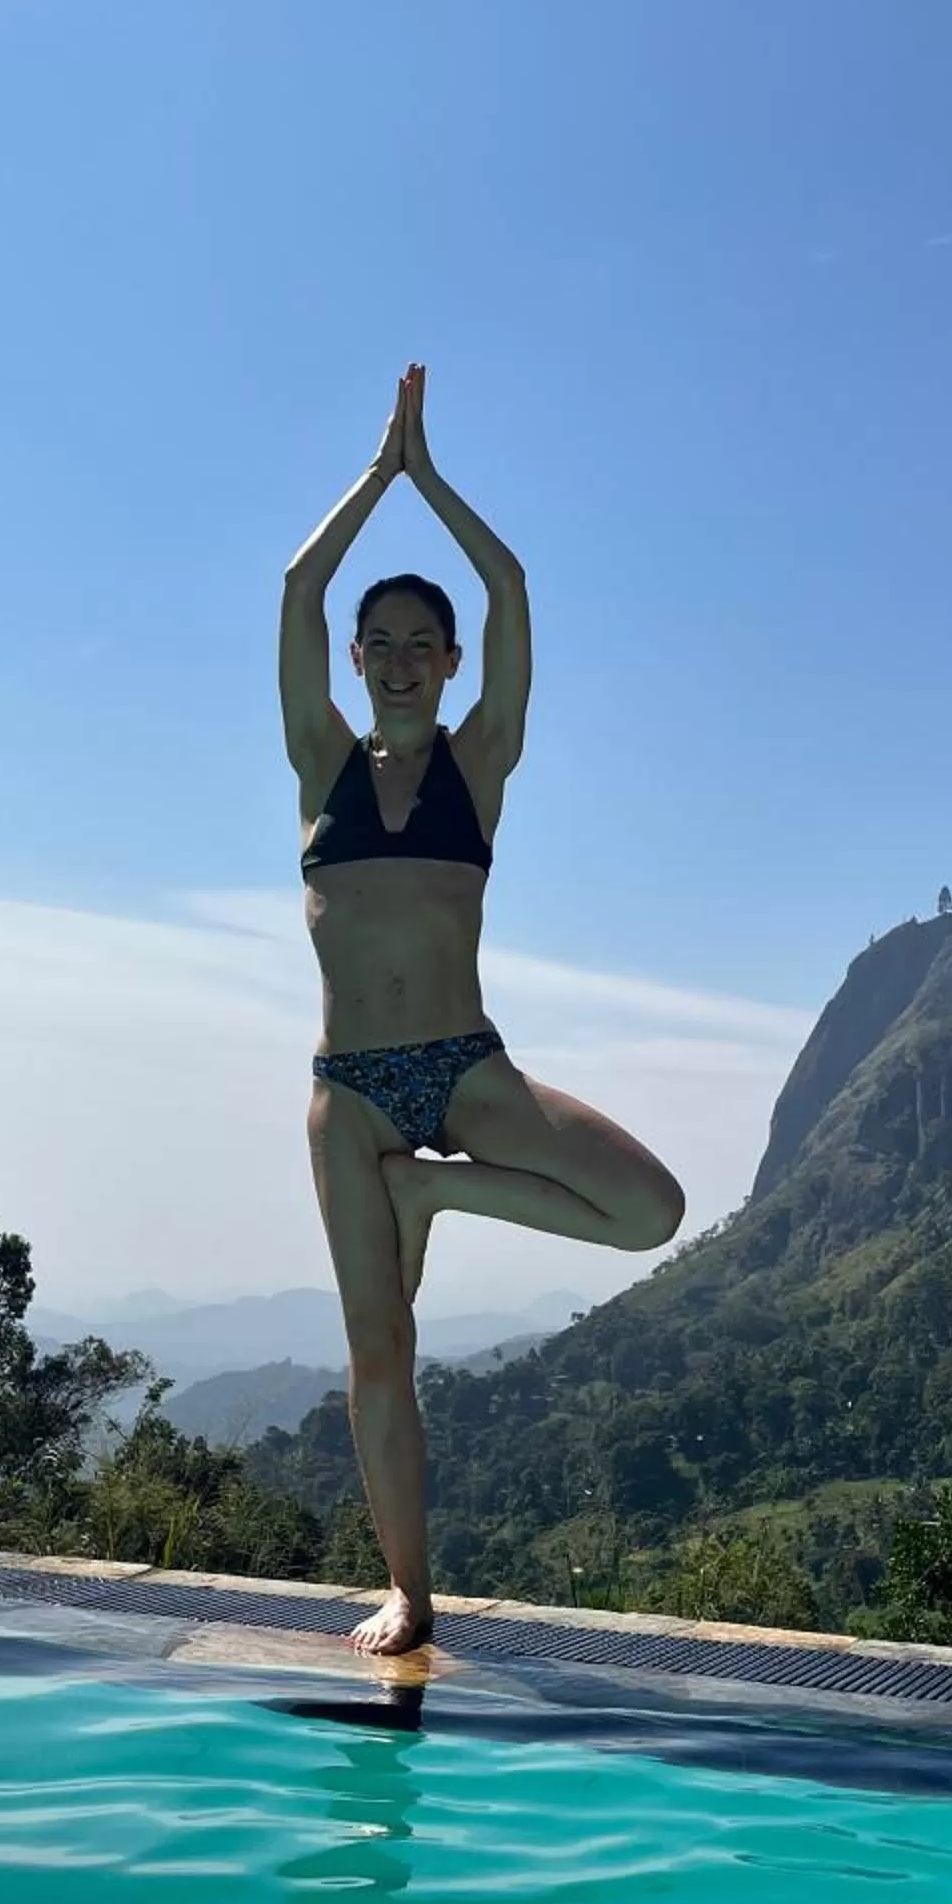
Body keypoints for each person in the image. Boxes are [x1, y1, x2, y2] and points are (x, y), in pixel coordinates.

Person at [280, 364, 686, 1656]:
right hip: (350, 1092)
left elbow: (509, 588)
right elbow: (295, 588)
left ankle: (436, 1190)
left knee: (650, 1211)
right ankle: (409, 1590)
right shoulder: (322, 765)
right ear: (356, 660)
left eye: (424, 644)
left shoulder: (480, 762)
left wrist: (431, 478)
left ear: (451, 664)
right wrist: (375, 475)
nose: (401, 661)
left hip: (464, 1071)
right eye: (381, 643)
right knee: (377, 1353)